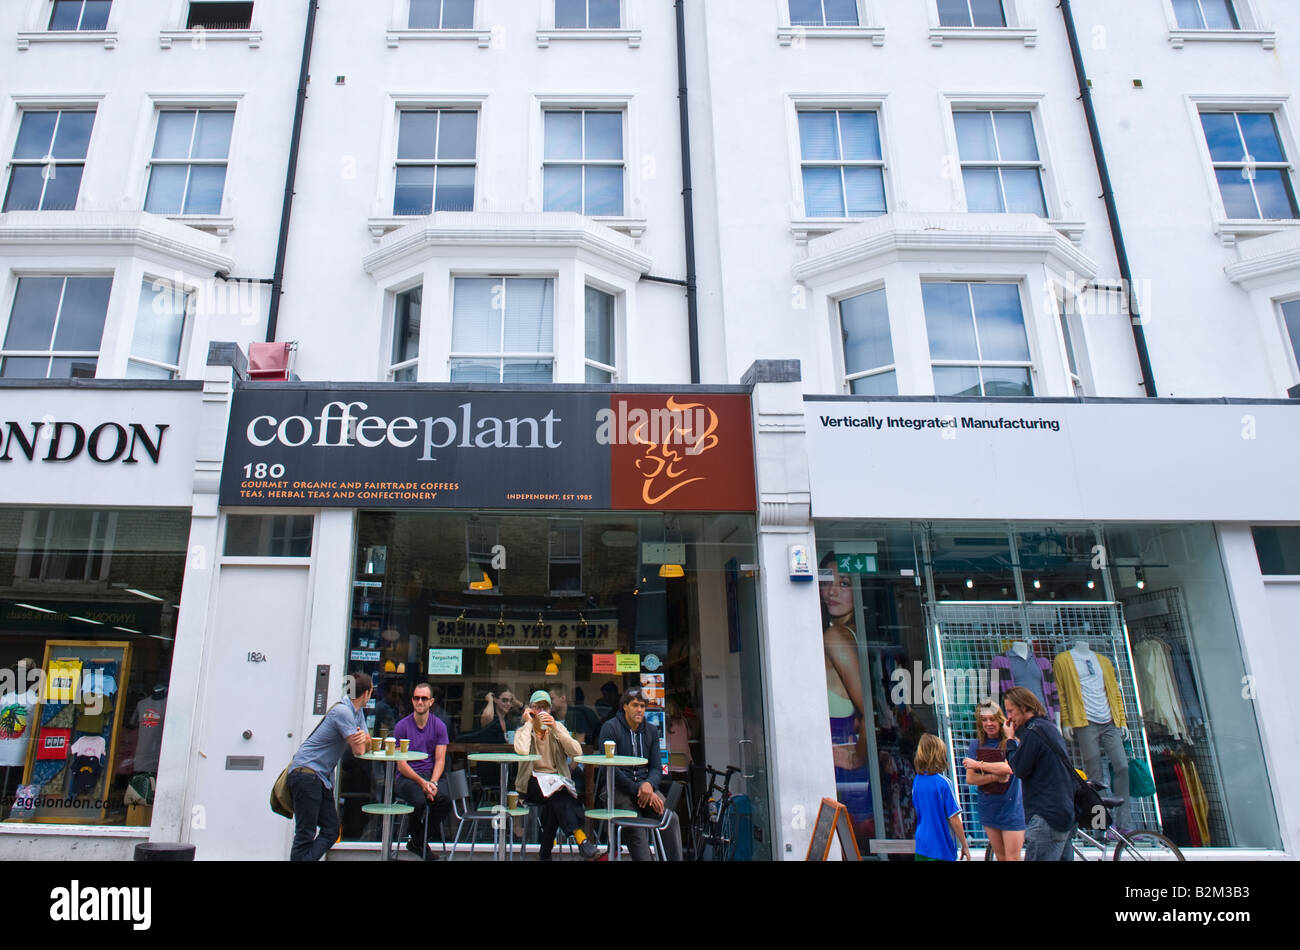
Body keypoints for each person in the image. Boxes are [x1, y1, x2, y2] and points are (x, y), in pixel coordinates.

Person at [818, 553, 873, 847]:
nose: (833, 591)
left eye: (845, 583)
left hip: (846, 774)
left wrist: (858, 756)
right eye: (827, 581)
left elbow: (869, 710)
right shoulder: (854, 633)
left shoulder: (835, 636)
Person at [287, 673, 372, 861]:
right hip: (307, 774)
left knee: (331, 830)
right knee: (305, 833)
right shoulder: (343, 712)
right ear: (367, 693)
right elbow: (359, 750)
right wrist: (361, 740)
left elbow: (368, 742)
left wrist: (363, 740)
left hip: (320, 779)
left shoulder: (356, 713)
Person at [596, 687, 683, 861]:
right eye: (635, 705)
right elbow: (609, 769)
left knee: (670, 819)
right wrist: (639, 788)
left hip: (646, 789)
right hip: (617, 790)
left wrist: (649, 786)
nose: (639, 710)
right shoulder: (610, 728)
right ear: (625, 707)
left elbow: (656, 768)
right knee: (635, 828)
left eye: (642, 706)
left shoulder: (650, 731)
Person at [991, 686, 1076, 861]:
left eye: (1011, 711)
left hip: (1046, 815)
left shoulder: (1034, 732)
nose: (1009, 717)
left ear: (1024, 707)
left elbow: (1019, 768)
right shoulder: (1049, 728)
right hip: (1064, 812)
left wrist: (1010, 741)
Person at [514, 690, 598, 860]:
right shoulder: (523, 730)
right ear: (530, 709)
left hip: (556, 782)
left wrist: (556, 728)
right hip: (532, 783)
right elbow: (522, 750)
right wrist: (530, 723)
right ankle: (580, 836)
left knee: (555, 799)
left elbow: (577, 751)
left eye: (544, 707)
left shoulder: (558, 727)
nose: (540, 711)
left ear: (550, 710)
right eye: (536, 707)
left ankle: (545, 855)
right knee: (558, 794)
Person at [392, 681, 452, 860]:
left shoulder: (439, 726)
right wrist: (422, 783)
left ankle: (417, 840)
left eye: (424, 698)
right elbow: (401, 764)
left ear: (431, 702)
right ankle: (419, 840)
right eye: (416, 698)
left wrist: (432, 782)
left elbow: (440, 759)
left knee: (445, 802)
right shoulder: (401, 726)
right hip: (407, 777)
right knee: (419, 801)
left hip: (429, 776)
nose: (420, 702)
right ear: (412, 701)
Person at [961, 701, 1025, 861]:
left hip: (1012, 808)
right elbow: (970, 778)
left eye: (992, 719)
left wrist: (978, 764)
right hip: (989, 807)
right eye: (984, 720)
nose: (989, 724)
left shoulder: (1011, 742)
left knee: (1013, 858)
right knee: (1001, 857)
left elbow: (1009, 769)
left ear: (1000, 720)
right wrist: (995, 776)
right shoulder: (976, 744)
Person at [911, 733, 970, 861]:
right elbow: (954, 818)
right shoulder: (944, 783)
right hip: (941, 847)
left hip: (922, 844)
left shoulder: (917, 781)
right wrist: (964, 845)